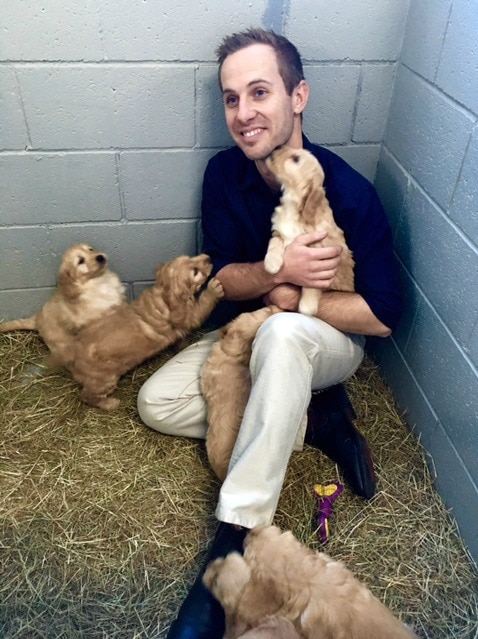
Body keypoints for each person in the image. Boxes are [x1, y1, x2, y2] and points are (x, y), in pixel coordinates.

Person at [137, 28, 402, 639]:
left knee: (284, 338)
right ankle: (321, 419)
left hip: (319, 342)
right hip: (250, 333)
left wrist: (293, 304)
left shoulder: (349, 191)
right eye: (232, 98)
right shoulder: (222, 175)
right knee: (156, 404)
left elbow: (384, 314)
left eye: (260, 91)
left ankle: (233, 542)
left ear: (298, 95)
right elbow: (225, 278)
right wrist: (276, 278)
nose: (244, 112)